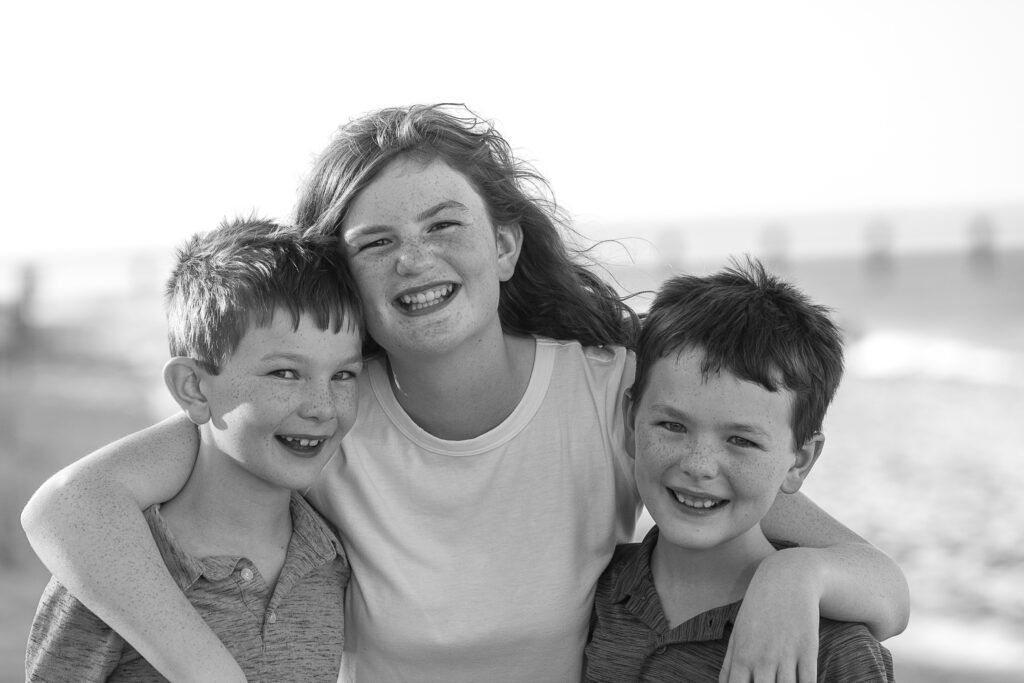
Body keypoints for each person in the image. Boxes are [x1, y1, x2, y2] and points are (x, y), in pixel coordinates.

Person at [21, 105, 909, 682]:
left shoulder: (610, 392)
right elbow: (69, 509)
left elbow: (880, 586)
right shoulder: (325, 408)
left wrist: (798, 573)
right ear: (347, 283)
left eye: (445, 226)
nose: (415, 258)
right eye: (376, 244)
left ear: (507, 249)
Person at [25, 219, 362, 681]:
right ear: (194, 389)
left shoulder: (331, 561)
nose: (323, 408)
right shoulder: (107, 568)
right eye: (285, 373)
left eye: (344, 375)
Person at [584, 259, 894, 682]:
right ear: (631, 423)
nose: (697, 465)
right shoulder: (588, 592)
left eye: (741, 441)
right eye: (672, 426)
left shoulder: (834, 651)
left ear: (800, 461)